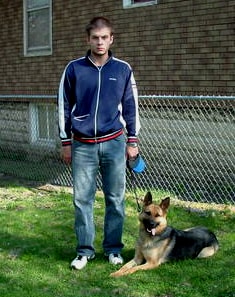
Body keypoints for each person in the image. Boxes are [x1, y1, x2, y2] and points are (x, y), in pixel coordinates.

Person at [58, 16, 140, 270]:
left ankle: (113, 249)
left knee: (115, 198)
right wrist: (65, 141)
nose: (100, 42)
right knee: (82, 199)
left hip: (115, 142)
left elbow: (131, 106)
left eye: (105, 37)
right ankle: (85, 251)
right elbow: (63, 105)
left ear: (111, 39)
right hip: (82, 145)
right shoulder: (74, 69)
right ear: (88, 39)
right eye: (95, 37)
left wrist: (133, 140)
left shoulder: (123, 69)